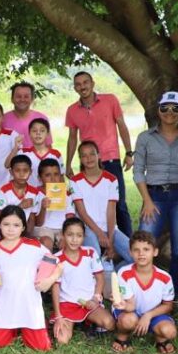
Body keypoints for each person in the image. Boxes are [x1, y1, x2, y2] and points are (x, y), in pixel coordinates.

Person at [132, 91, 178, 295]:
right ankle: (143, 290)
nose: (170, 112)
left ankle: (173, 293)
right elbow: (138, 171)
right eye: (165, 107)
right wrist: (147, 200)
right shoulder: (145, 137)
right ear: (158, 111)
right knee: (143, 245)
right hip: (154, 196)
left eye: (176, 108)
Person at [64, 71, 134, 236]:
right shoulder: (72, 110)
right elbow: (72, 138)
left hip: (110, 160)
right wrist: (68, 164)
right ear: (75, 88)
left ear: (92, 83)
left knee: (119, 204)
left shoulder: (110, 100)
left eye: (85, 82)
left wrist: (129, 152)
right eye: (78, 84)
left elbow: (122, 126)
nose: (82, 87)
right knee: (90, 204)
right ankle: (96, 239)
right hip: (88, 162)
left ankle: (127, 242)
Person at [0, 205, 60, 351]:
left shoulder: (33, 246)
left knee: (41, 347)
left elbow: (57, 263)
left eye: (16, 225)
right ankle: (13, 330)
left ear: (23, 227)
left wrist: (50, 280)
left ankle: (33, 326)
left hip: (29, 306)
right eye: (6, 224)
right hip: (5, 306)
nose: (10, 229)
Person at [111, 230, 178, 354]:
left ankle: (160, 339)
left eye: (146, 249)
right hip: (130, 311)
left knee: (170, 331)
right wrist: (122, 305)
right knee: (128, 320)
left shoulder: (165, 277)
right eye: (136, 250)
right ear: (130, 253)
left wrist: (148, 315)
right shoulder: (124, 273)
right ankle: (122, 336)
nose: (141, 254)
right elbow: (131, 305)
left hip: (152, 313)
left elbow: (168, 305)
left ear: (155, 252)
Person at [50, 218, 114, 345]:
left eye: (79, 235)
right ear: (62, 235)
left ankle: (87, 322)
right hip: (67, 304)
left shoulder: (90, 253)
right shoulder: (57, 258)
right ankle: (78, 322)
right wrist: (58, 316)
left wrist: (96, 299)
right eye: (70, 235)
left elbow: (100, 278)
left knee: (109, 324)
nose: (74, 240)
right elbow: (55, 288)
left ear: (84, 237)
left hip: (89, 303)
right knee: (62, 339)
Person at [70, 141, 132, 267]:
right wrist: (100, 234)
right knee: (95, 254)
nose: (89, 158)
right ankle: (102, 271)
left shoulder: (111, 179)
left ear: (99, 155)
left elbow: (111, 211)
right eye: (84, 155)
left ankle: (115, 273)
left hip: (109, 228)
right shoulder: (75, 181)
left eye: (92, 154)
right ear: (80, 159)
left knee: (134, 255)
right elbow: (82, 213)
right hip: (87, 228)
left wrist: (110, 239)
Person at [32, 159, 74, 251]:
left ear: (60, 175)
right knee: (47, 241)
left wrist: (65, 234)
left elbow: (70, 218)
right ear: (39, 178)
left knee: (68, 242)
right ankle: (47, 261)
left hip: (62, 229)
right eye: (48, 175)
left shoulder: (66, 194)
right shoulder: (35, 193)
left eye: (56, 174)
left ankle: (62, 260)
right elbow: (38, 223)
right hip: (43, 229)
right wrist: (43, 208)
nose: (53, 178)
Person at [0, 156, 44, 234]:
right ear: (11, 172)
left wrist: (27, 236)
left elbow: (31, 219)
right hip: (3, 231)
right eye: (17, 170)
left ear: (31, 172)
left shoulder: (34, 192)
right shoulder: (3, 191)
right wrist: (19, 207)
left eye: (25, 170)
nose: (22, 174)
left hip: (23, 231)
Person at [2, 81, 50, 148]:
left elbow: (48, 146)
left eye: (26, 96)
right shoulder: (3, 120)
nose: (22, 99)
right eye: (18, 96)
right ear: (12, 99)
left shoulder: (42, 118)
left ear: (32, 99)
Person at [18, 118, 61, 187]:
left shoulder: (56, 154)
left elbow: (60, 177)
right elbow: (7, 166)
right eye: (34, 131)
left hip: (50, 192)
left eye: (42, 131)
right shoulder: (23, 153)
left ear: (48, 134)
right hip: (29, 192)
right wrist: (15, 148)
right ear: (29, 134)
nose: (38, 133)